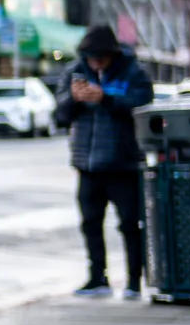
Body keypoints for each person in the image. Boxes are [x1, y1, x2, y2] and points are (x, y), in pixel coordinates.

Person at [54, 23, 151, 299]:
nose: (94, 61)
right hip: (87, 163)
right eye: (90, 56)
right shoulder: (75, 72)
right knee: (90, 223)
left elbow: (141, 105)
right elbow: (59, 115)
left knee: (130, 225)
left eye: (99, 56)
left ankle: (134, 281)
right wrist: (74, 99)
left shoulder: (134, 72)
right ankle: (97, 278)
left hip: (123, 163)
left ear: (112, 54)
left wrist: (105, 98)